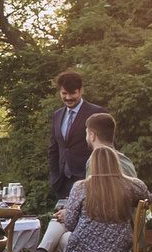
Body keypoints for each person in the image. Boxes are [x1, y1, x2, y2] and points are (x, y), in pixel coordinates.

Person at [51, 145, 151, 252]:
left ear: (93, 165)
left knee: (59, 245)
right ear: (116, 163)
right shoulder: (132, 186)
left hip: (85, 251)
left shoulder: (80, 187)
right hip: (120, 250)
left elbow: (69, 224)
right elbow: (147, 199)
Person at [46, 70, 110, 207]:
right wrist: (55, 178)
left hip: (89, 183)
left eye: (72, 93)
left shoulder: (97, 112)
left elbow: (108, 147)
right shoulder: (57, 115)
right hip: (63, 185)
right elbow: (54, 150)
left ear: (81, 90)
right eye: (64, 93)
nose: (68, 97)